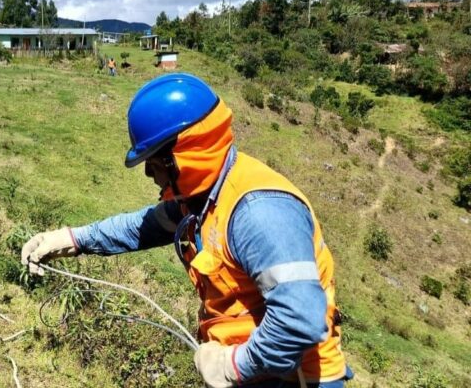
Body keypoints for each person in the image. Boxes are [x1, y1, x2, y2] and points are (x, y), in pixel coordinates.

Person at [21, 73, 353, 387]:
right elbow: (143, 226)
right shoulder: (200, 199)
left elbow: (299, 322)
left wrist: (232, 366)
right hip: (253, 371)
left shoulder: (259, 213)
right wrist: (70, 239)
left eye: (153, 163)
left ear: (185, 156)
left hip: (293, 378)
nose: (149, 175)